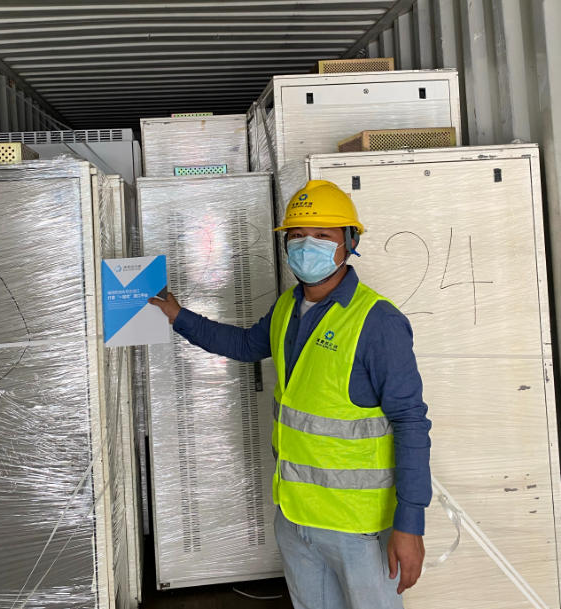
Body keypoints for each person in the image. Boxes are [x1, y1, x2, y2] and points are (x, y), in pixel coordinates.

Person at [149, 180, 432, 609]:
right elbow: (245, 345)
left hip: (359, 527)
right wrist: (178, 315)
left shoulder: (377, 322)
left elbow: (411, 422)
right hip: (296, 518)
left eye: (322, 234)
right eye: (297, 235)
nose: (306, 244)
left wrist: (409, 524)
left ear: (350, 242)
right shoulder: (288, 307)